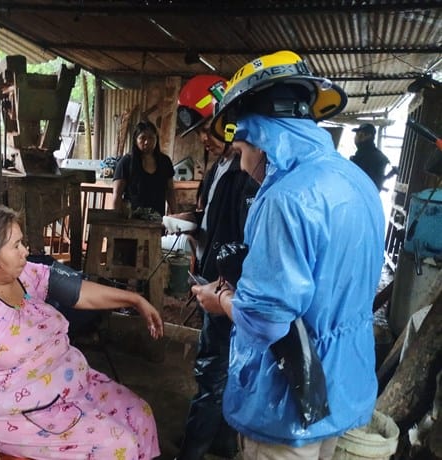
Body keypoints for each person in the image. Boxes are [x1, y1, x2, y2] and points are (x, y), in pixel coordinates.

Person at [193, 50, 385, 459]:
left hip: (289, 403)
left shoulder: (286, 197)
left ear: (261, 137)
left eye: (242, 150)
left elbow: (266, 322)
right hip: (342, 385)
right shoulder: (355, 180)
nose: (243, 166)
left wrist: (221, 300)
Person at [0, 203, 164, 460]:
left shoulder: (22, 275)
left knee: (141, 415)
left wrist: (134, 299)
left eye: (22, 243)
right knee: (120, 446)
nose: (25, 252)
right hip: (18, 413)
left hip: (67, 384)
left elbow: (77, 293)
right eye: (15, 246)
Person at [172, 75, 259, 460]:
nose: (202, 139)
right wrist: (184, 221)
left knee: (212, 370)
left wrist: (225, 289)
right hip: (211, 277)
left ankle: (192, 449)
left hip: (228, 287)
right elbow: (212, 219)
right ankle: (222, 442)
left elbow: (246, 239)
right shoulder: (219, 169)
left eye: (205, 129)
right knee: (223, 366)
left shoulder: (247, 174)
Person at [113, 120, 177, 217]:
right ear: (135, 140)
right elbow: (117, 195)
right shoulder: (125, 162)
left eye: (151, 138)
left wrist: (175, 215)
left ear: (156, 139)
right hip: (132, 221)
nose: (147, 142)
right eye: (142, 138)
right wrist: (116, 220)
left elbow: (170, 192)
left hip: (157, 220)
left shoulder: (165, 162)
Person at [350, 123, 391, 191]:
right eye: (357, 134)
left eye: (360, 135)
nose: (356, 138)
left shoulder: (370, 156)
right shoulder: (364, 153)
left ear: (369, 136)